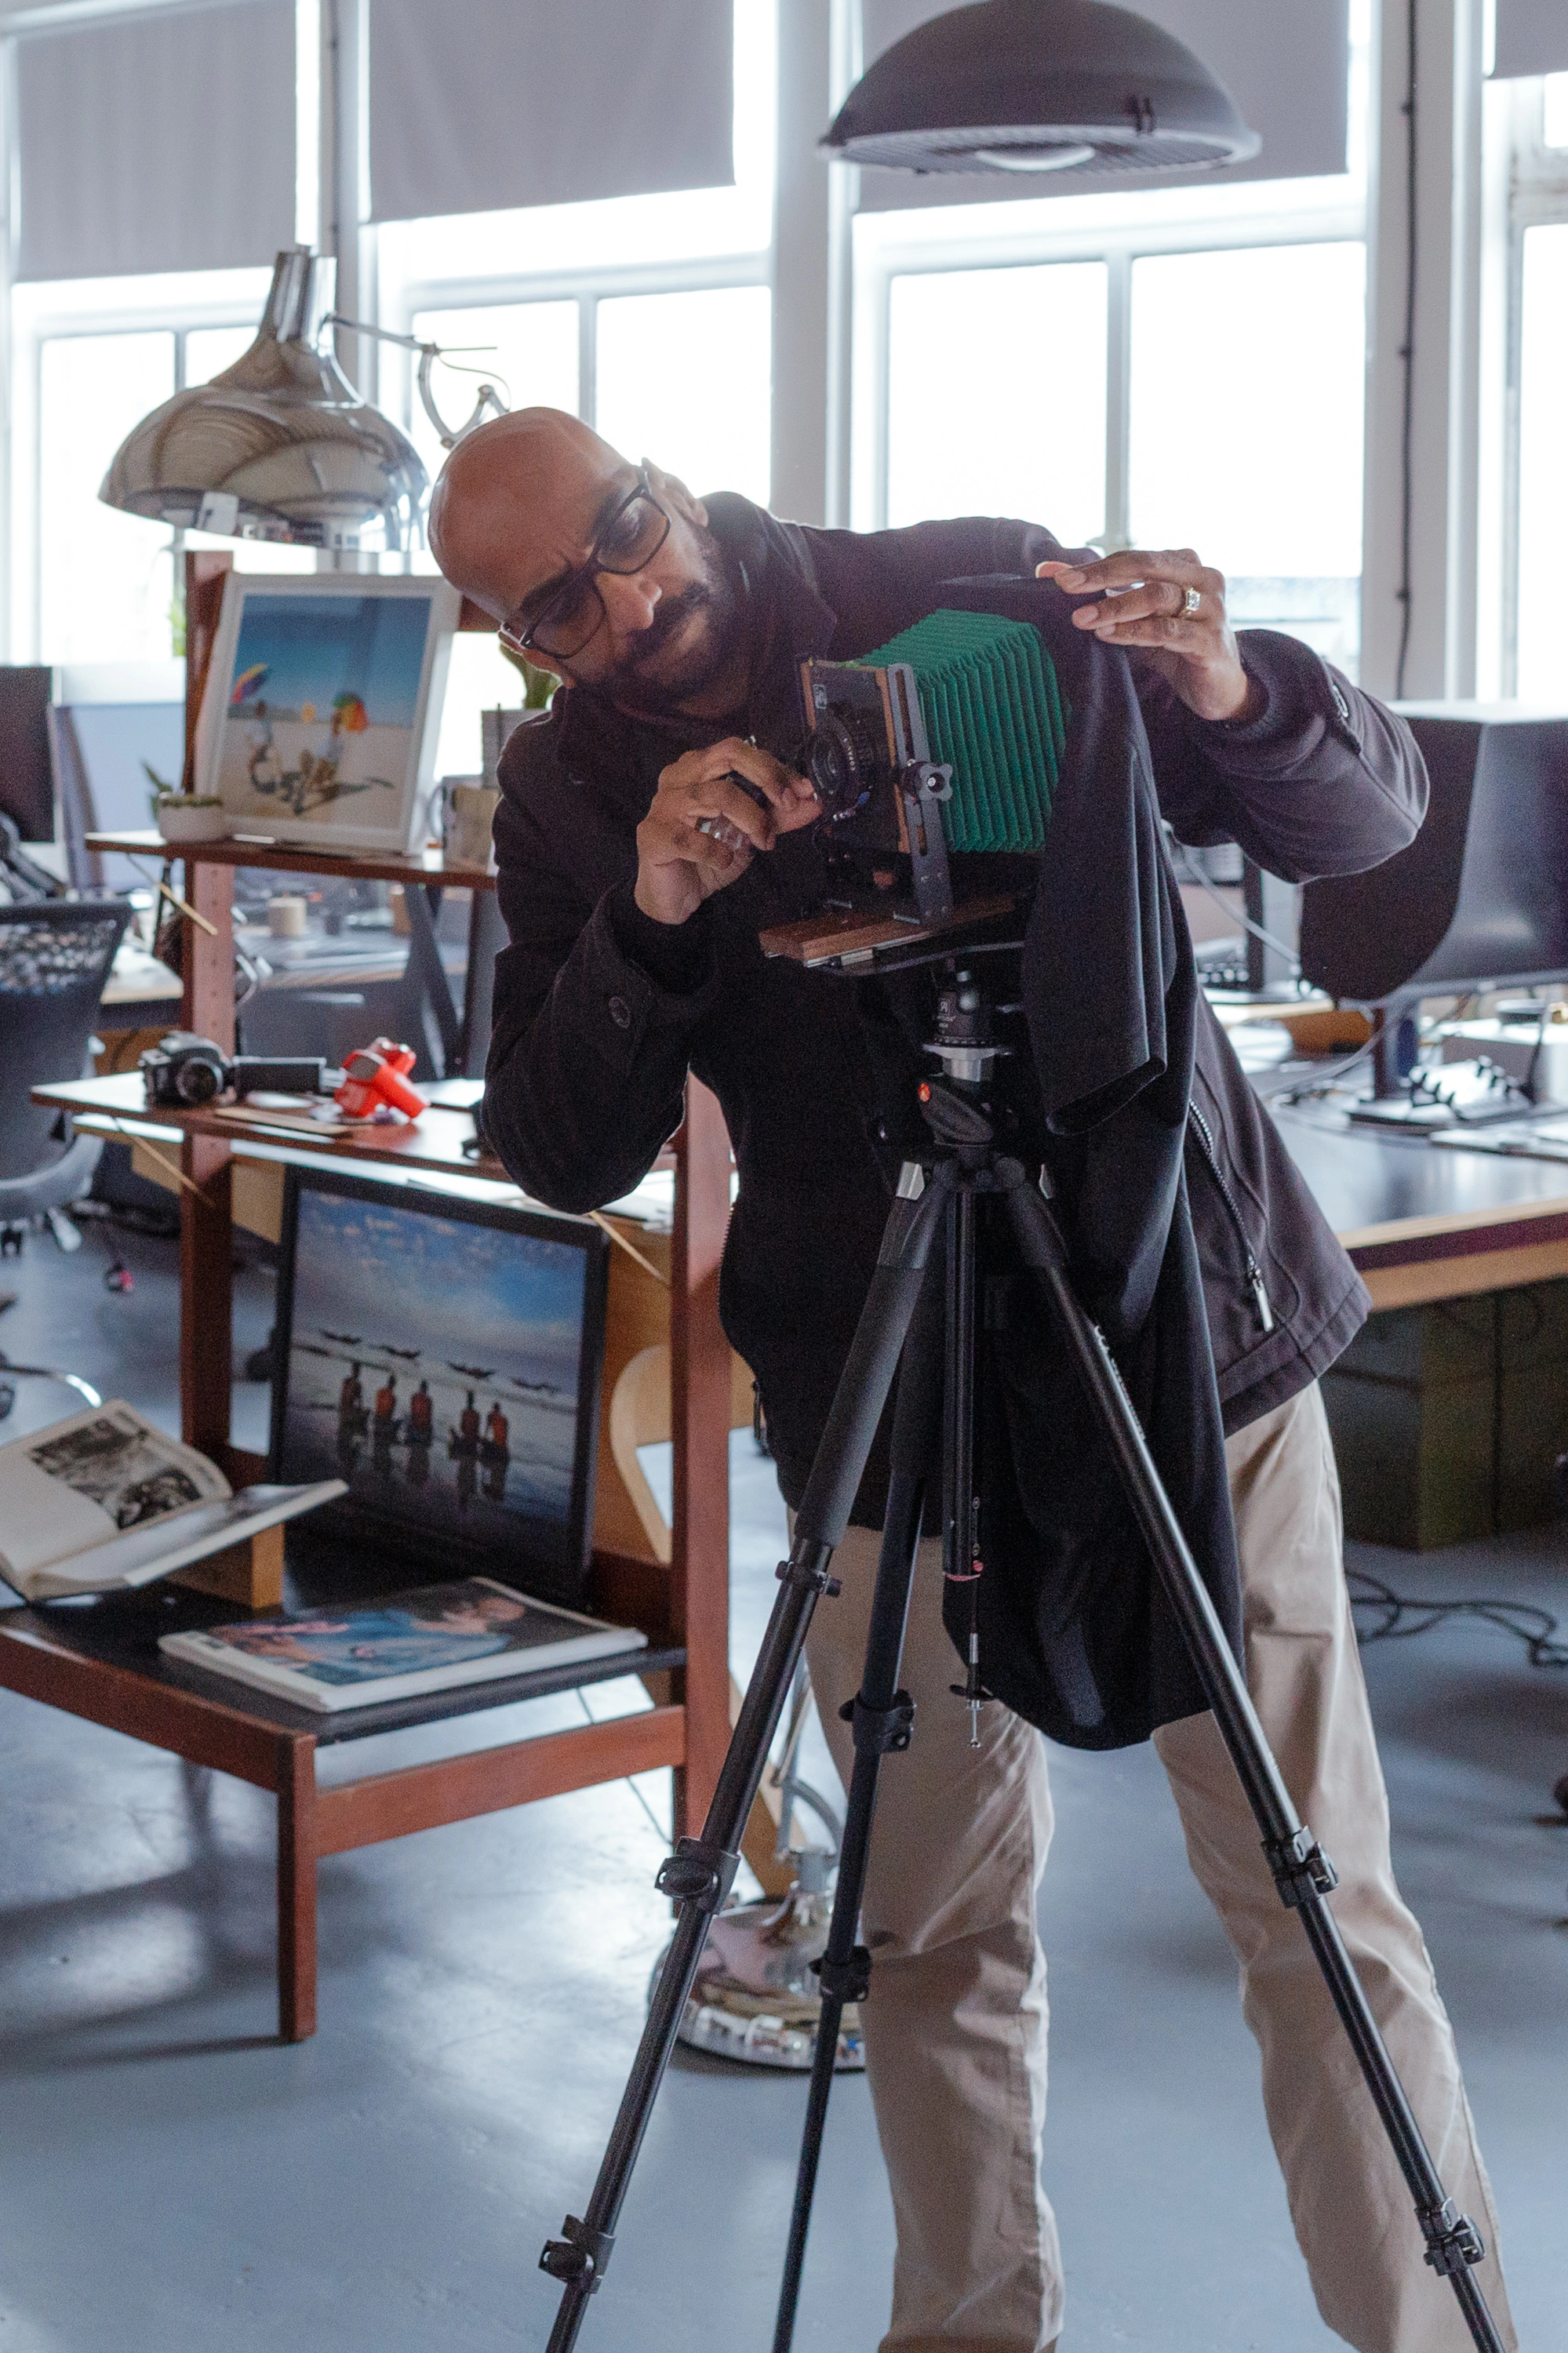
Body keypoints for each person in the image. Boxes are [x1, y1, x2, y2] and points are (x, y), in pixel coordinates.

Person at [428, 409, 1515, 2353]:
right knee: (923, 1934)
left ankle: (1434, 2334)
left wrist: (1233, 677)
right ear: (524, 642)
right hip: (872, 1366)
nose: (636, 597)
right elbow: (558, 1146)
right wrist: (657, 912)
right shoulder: (568, 791)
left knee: (1316, 1897)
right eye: (568, 608)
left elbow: (1369, 825)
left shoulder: (976, 590)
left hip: (1176, 1325)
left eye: (631, 532)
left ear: (665, 477)